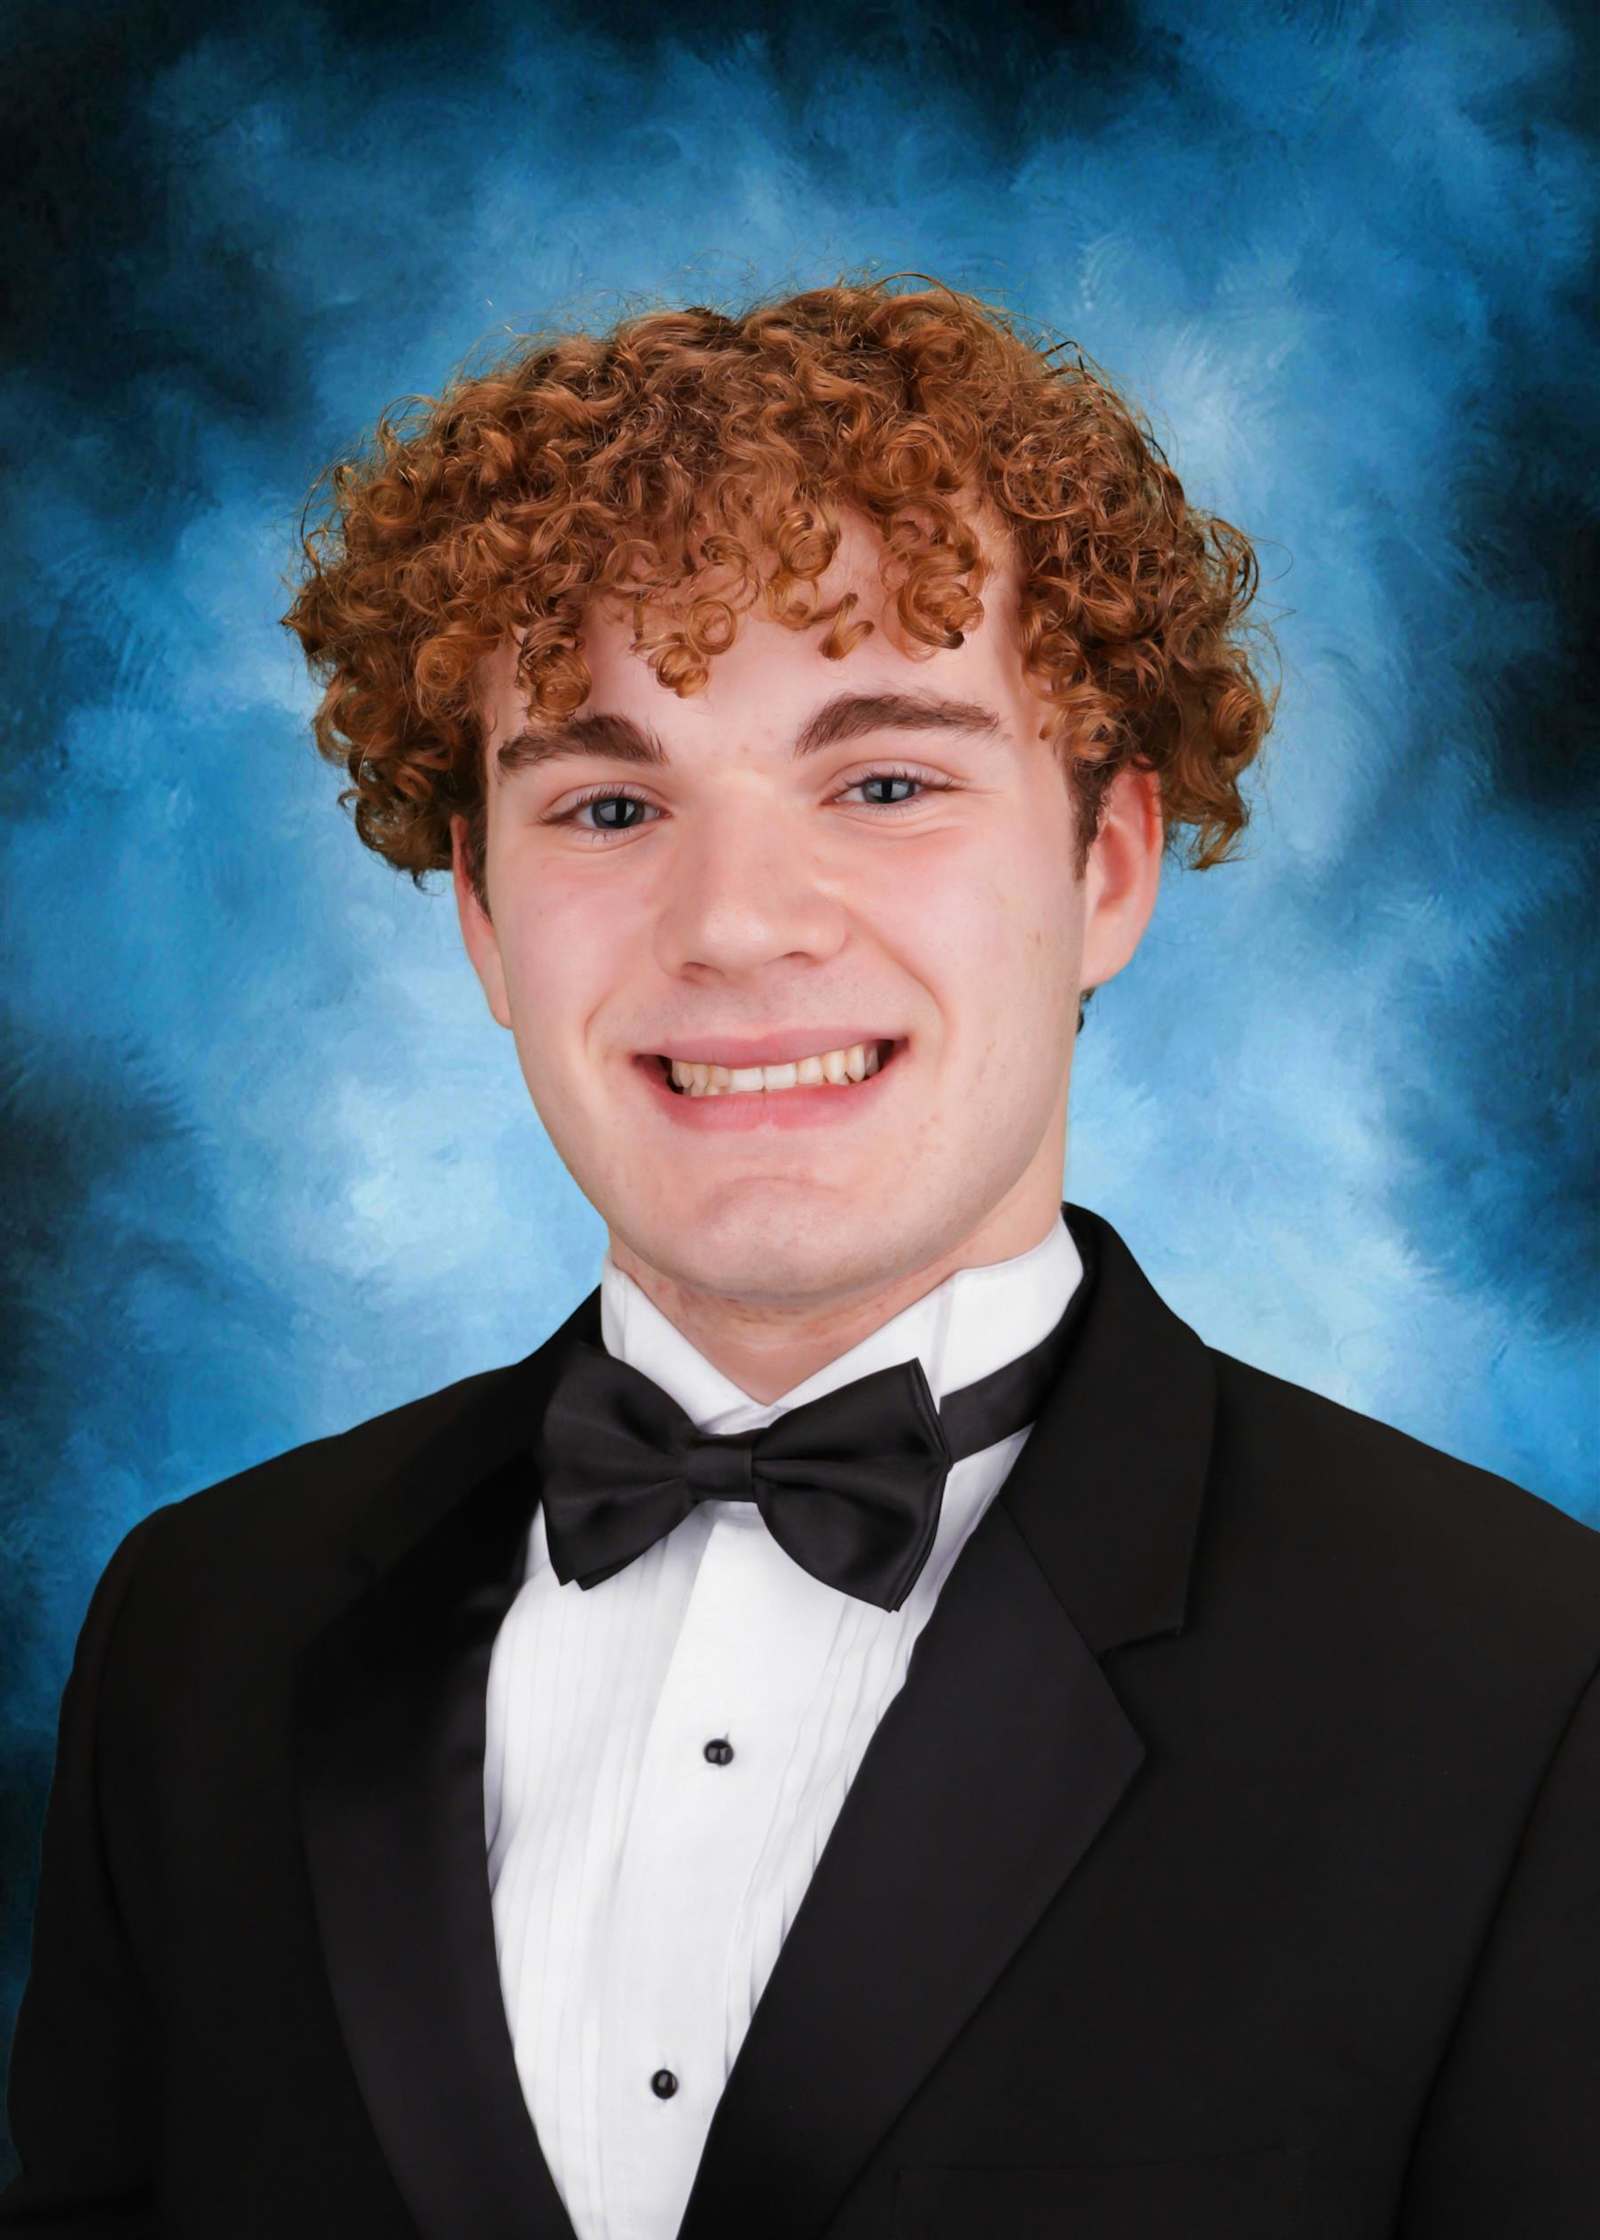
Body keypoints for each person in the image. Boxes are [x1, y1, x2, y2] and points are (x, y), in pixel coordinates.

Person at [4, 277, 1596, 2240]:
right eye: (607, 802)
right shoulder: (198, 1630)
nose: (734, 923)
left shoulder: (1525, 1679)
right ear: (485, 928)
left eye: (882, 779)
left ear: (1102, 870)